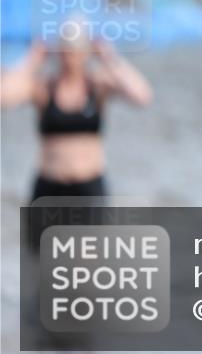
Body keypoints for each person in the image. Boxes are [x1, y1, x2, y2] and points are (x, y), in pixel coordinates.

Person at [1, 27, 152, 247]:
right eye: (65, 51)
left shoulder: (98, 85)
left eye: (75, 50)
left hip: (87, 188)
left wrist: (110, 58)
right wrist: (31, 61)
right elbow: (3, 97)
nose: (69, 57)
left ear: (86, 52)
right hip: (49, 188)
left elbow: (142, 96)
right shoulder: (43, 88)